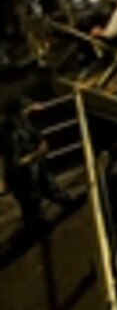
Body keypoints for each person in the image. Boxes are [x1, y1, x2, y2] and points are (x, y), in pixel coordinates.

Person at [1, 97, 72, 229]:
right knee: (30, 199)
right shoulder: (11, 133)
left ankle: (65, 203)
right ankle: (35, 224)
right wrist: (36, 154)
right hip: (24, 171)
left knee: (47, 187)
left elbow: (37, 139)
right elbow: (14, 160)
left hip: (34, 164)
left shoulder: (24, 123)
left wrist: (39, 148)